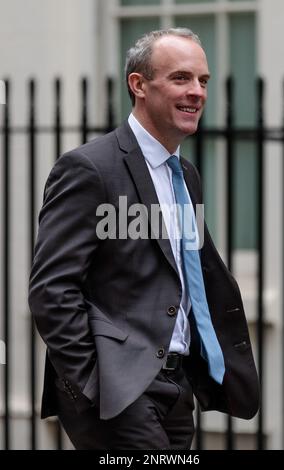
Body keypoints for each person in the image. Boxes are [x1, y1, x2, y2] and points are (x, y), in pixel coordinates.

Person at [28, 28, 259, 450]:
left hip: (177, 385)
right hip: (119, 390)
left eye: (203, 81)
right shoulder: (88, 169)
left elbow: (184, 277)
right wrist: (93, 383)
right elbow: (51, 290)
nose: (197, 92)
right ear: (139, 85)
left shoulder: (185, 174)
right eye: (181, 78)